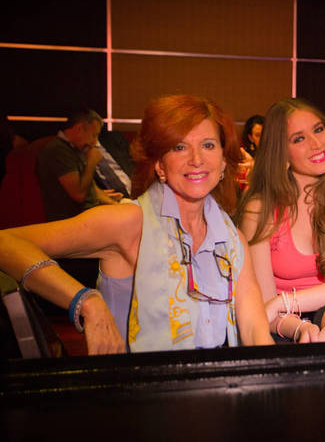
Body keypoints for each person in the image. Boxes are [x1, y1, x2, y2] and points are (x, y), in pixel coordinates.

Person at [0, 95, 273, 354]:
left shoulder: (232, 240)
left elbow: (254, 331)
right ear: (160, 165)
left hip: (210, 382)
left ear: (224, 161)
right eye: (179, 147)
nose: (197, 159)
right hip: (134, 383)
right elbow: (5, 243)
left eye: (208, 145)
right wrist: (85, 300)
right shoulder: (131, 221)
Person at [236, 98, 325, 342]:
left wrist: (284, 301)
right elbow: (264, 307)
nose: (316, 143)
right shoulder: (259, 208)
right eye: (299, 139)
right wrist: (300, 328)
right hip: (282, 324)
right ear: (281, 152)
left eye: (318, 130)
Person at [36, 109, 123, 221]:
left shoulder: (75, 148)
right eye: (94, 135)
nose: (95, 142)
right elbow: (79, 195)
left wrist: (111, 202)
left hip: (90, 212)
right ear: (79, 129)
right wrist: (91, 162)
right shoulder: (58, 151)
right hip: (73, 220)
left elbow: (89, 185)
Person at [237, 115, 265, 191]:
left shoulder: (279, 154)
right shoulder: (245, 157)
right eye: (258, 135)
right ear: (251, 138)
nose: (263, 138)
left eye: (265, 134)